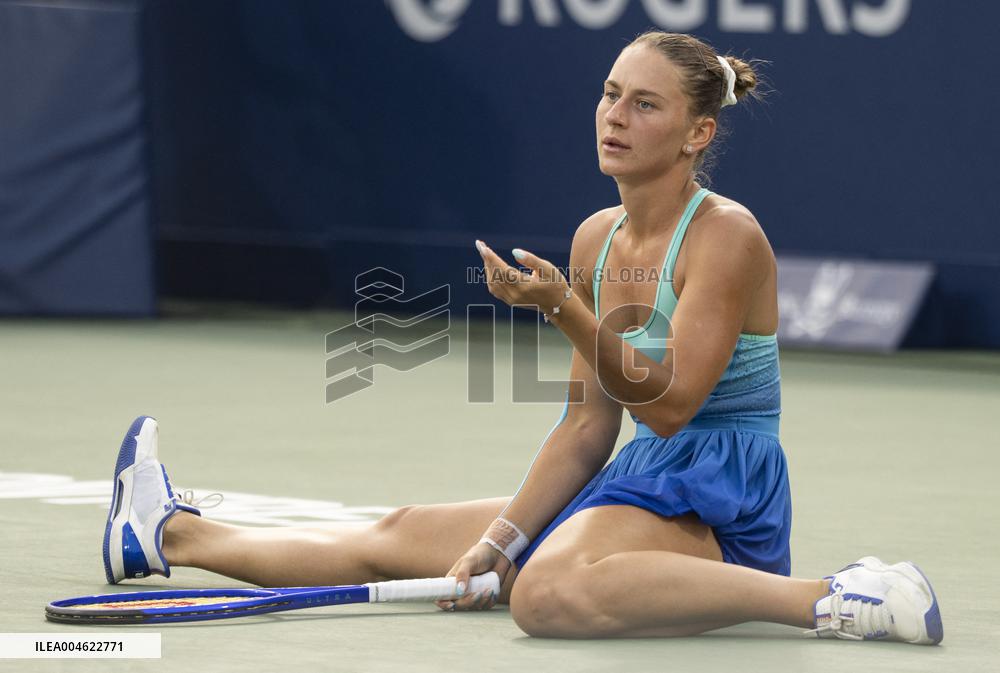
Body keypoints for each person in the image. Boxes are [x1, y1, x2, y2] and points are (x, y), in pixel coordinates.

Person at [102, 31, 942, 643]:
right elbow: (587, 426)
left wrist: (561, 310)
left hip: (722, 497)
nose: (614, 115)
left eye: (645, 104)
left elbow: (676, 405)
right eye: (610, 93)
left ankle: (836, 597)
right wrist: (499, 541)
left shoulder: (727, 236)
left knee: (544, 597)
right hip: (639, 479)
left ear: (697, 135)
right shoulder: (596, 237)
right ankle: (164, 533)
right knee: (400, 533)